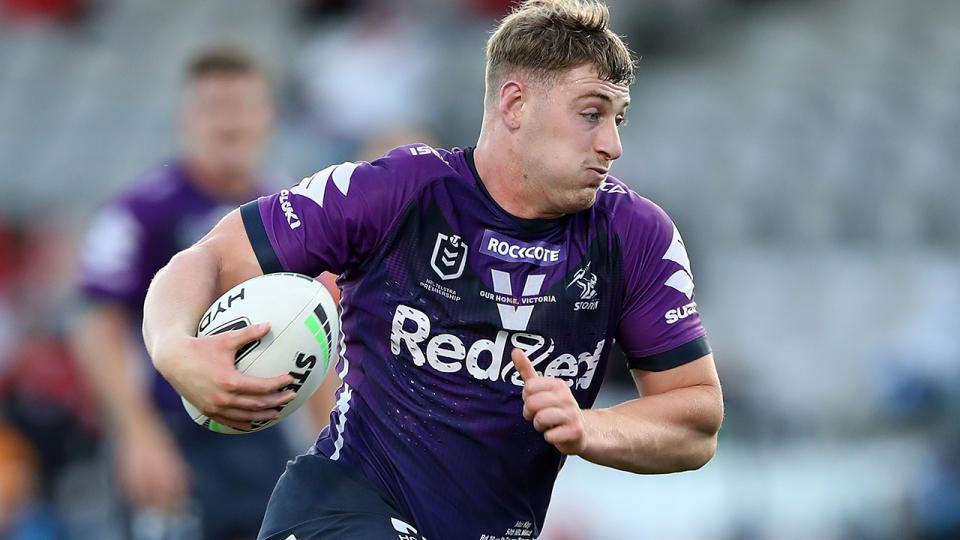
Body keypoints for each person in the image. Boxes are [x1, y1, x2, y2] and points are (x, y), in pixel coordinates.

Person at [142, 2, 724, 539]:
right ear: (515, 104)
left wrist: (590, 429)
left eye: (619, 117)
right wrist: (173, 348)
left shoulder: (634, 234)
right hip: (345, 508)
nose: (613, 143)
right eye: (591, 114)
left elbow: (696, 420)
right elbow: (211, 257)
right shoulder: (399, 192)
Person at [71, 44, 338, 540]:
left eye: (241, 108)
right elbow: (98, 328)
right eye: (214, 109)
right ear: (186, 118)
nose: (228, 125)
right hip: (174, 437)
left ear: (269, 116)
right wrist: (137, 434)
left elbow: (320, 330)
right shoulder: (140, 212)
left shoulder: (295, 215)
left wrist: (329, 447)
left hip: (265, 443)